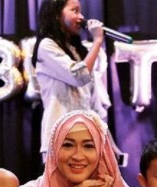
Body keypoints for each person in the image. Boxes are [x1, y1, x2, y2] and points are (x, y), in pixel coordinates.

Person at [32, 0, 111, 161]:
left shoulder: (78, 51)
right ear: (56, 14)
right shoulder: (46, 46)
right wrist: (97, 41)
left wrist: (108, 143)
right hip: (60, 136)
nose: (81, 17)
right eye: (75, 11)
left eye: (80, 11)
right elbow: (78, 76)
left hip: (86, 134)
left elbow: (93, 103)